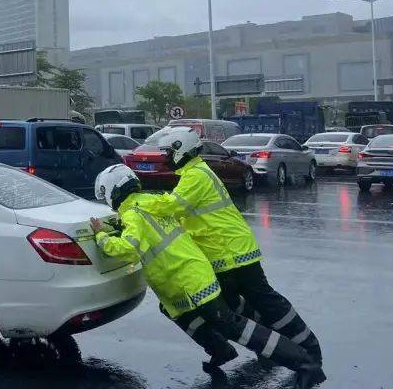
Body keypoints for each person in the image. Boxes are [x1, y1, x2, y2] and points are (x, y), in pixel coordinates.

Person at [89, 164, 325, 389]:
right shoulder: (152, 203)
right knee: (177, 312)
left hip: (188, 278)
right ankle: (221, 349)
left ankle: (305, 365)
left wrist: (100, 236)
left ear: (112, 192)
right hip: (188, 275)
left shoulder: (132, 214)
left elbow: (127, 247)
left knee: (231, 325)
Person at [137, 127, 323, 365]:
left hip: (233, 252)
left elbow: (170, 206)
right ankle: (272, 345)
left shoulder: (196, 175)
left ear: (180, 150)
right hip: (224, 254)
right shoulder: (193, 174)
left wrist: (136, 203)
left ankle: (309, 350)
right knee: (236, 305)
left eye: (167, 152)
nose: (165, 158)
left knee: (267, 302)